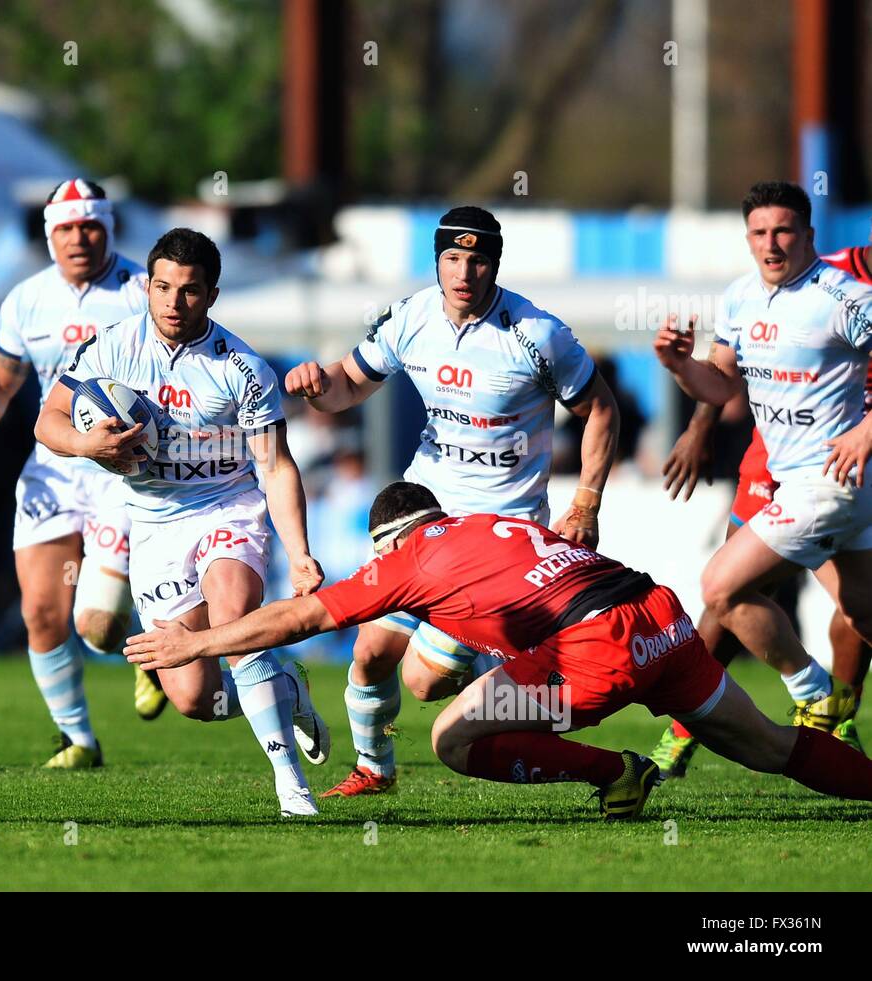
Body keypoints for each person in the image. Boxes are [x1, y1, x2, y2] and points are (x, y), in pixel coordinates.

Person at [124, 482, 872, 818]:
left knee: (454, 738)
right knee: (774, 746)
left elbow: (296, 620)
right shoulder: (485, 524)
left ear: (394, 539)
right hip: (659, 616)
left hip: (595, 649)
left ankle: (619, 772)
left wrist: (199, 640)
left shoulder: (406, 560)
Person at [284, 205, 618, 797]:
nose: (464, 272)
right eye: (452, 258)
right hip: (424, 524)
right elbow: (348, 385)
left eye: (478, 260)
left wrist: (586, 500)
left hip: (502, 536)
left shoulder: (538, 334)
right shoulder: (412, 316)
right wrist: (316, 385)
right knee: (369, 654)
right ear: (438, 261)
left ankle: (577, 740)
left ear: (495, 265)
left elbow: (601, 410)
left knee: (426, 680)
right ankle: (374, 770)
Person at [35, 227, 330, 816]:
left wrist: (298, 552)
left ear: (212, 295)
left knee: (234, 621)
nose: (174, 303)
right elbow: (48, 421)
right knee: (194, 696)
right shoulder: (112, 346)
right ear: (146, 286)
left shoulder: (243, 369)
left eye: (190, 291)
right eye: (163, 288)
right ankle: (286, 689)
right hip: (153, 523)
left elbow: (274, 467)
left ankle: (290, 785)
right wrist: (87, 445)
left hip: (228, 508)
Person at [0, 179, 167, 770]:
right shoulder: (25, 300)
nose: (78, 238)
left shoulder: (146, 291)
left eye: (90, 226)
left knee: (96, 627)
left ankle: (153, 654)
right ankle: (79, 740)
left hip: (122, 469)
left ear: (109, 228)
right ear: (48, 235)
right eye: (65, 228)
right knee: (41, 611)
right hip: (54, 465)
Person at [653, 182, 872, 761]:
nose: (771, 244)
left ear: (808, 236)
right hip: (806, 481)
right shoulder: (740, 298)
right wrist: (679, 365)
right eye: (759, 232)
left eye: (783, 231)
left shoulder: (841, 295)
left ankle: (814, 694)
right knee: (865, 614)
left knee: (721, 586)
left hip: (827, 479)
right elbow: (722, 384)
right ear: (747, 237)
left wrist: (867, 429)